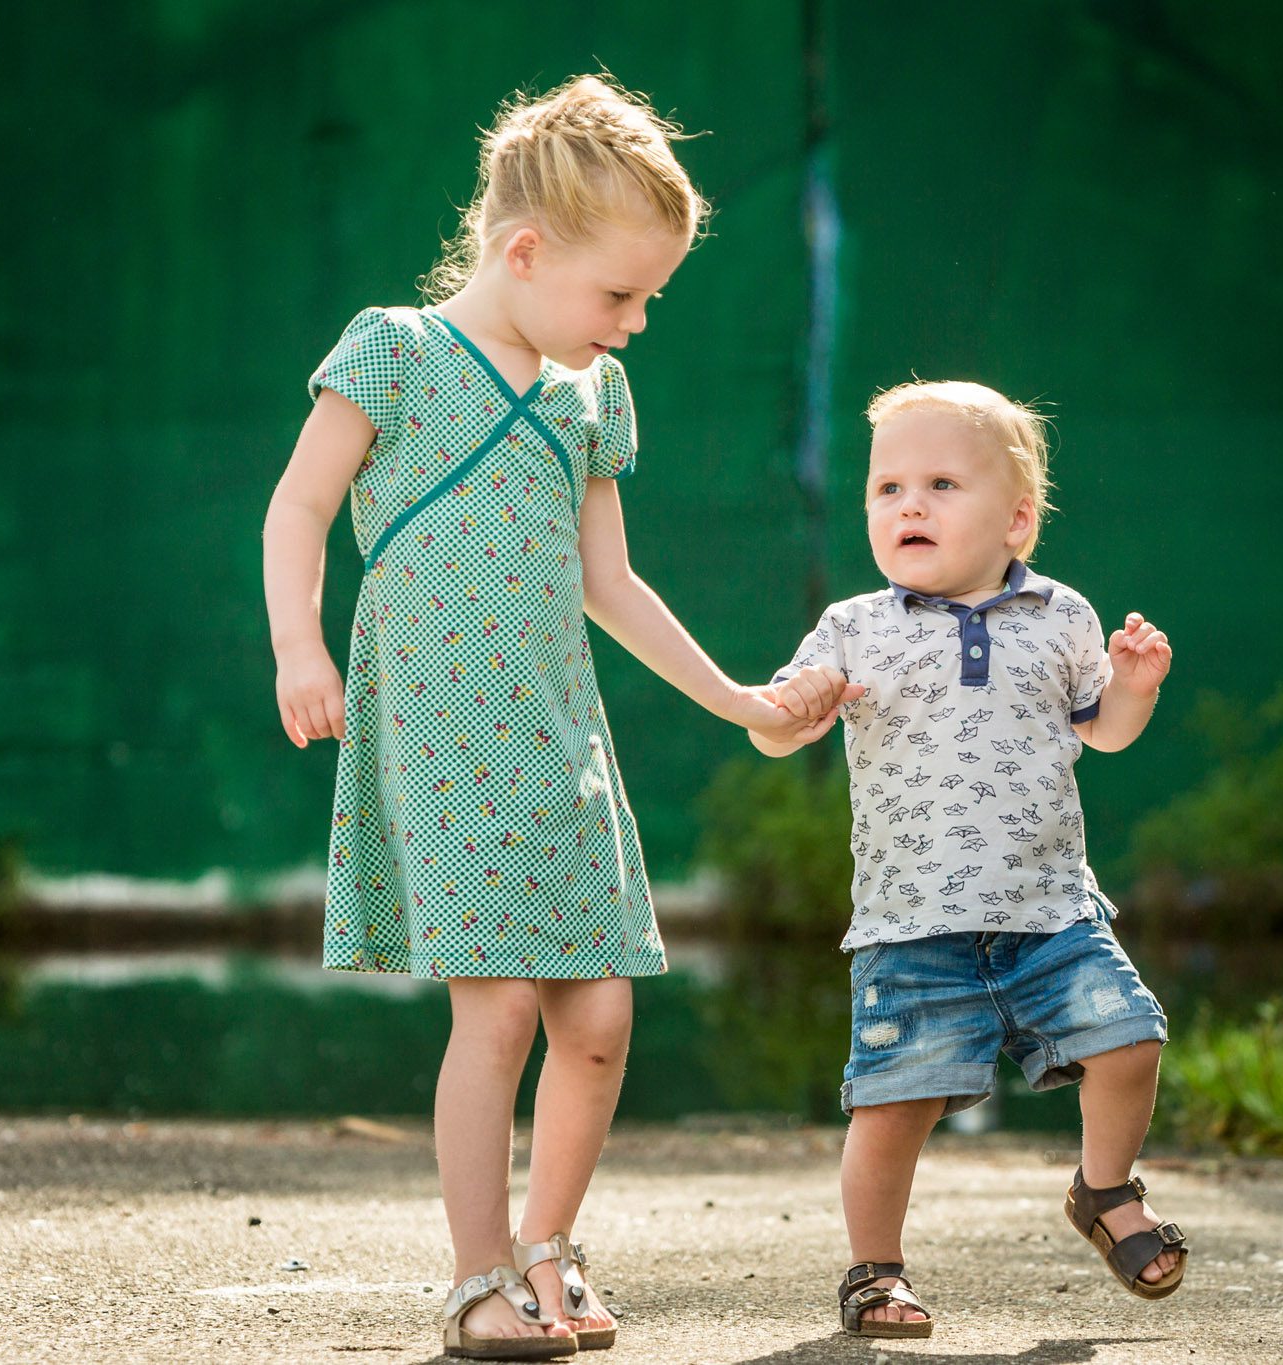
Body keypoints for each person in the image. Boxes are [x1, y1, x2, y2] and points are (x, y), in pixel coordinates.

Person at [262, 74, 850, 1360]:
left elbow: (609, 586)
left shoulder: (592, 400)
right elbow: (297, 508)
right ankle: (475, 1281)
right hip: (440, 725)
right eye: (619, 296)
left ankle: (547, 1248)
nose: (635, 323)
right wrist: (297, 646)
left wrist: (743, 704)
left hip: (559, 739)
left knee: (597, 1018)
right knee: (501, 1011)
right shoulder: (394, 353)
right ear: (523, 252)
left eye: (648, 299)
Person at [754, 380, 1189, 1339]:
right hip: (912, 925)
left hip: (1050, 912)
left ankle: (1105, 1189)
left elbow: (1104, 732)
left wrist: (1137, 689)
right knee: (892, 1110)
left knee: (1132, 1038)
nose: (909, 505)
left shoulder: (1060, 613)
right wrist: (797, 708)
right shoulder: (854, 626)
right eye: (888, 488)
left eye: (943, 484)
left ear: (1017, 520)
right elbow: (774, 733)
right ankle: (875, 1272)